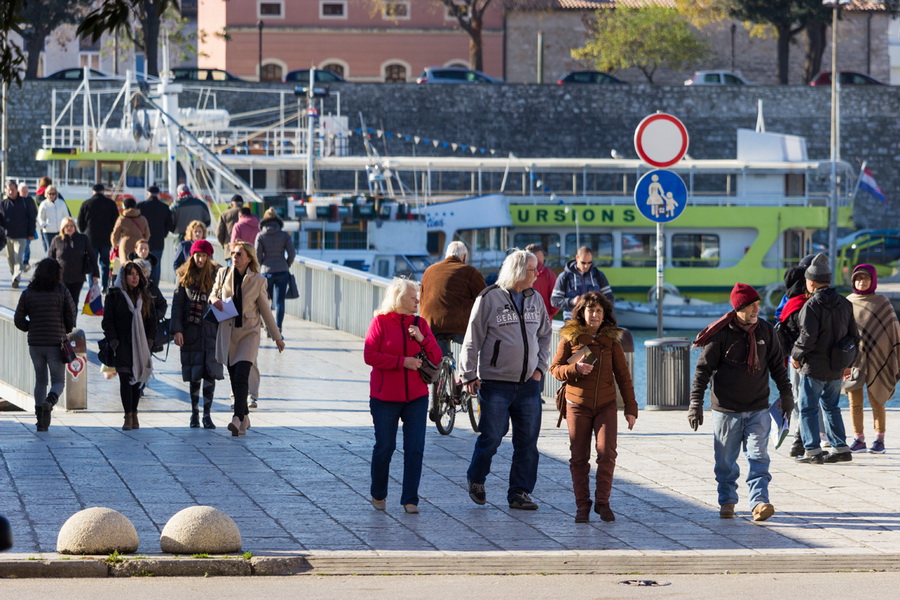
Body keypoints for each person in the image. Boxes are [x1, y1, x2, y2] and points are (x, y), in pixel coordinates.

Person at [688, 283, 794, 521]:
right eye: (751, 306)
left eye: (757, 305)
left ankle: (759, 503)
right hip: (726, 410)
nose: (757, 310)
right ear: (738, 308)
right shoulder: (720, 334)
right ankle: (727, 501)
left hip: (758, 408)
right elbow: (702, 371)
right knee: (725, 463)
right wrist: (695, 403)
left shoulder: (766, 331)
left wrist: (787, 395)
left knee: (758, 457)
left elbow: (778, 366)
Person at [460, 249, 552, 511]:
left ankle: (519, 493)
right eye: (534, 270)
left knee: (528, 442)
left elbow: (545, 335)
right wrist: (468, 374)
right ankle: (476, 477)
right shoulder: (488, 298)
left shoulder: (536, 299)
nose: (538, 274)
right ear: (521, 271)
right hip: (495, 383)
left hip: (528, 385)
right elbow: (472, 339)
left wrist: (540, 368)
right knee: (492, 437)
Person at [550, 292, 637, 523]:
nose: (595, 315)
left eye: (599, 311)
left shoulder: (612, 341)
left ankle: (602, 503)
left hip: (606, 405)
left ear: (604, 314)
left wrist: (631, 407)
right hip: (577, 405)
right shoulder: (570, 338)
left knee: (607, 453)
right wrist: (574, 369)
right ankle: (582, 506)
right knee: (579, 458)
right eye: (590, 310)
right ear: (582, 313)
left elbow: (623, 376)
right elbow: (555, 370)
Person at [363, 278, 441, 513]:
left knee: (415, 448)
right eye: (412, 297)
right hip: (384, 397)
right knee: (385, 447)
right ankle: (378, 494)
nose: (417, 300)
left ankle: (410, 499)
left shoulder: (420, 323)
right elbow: (370, 356)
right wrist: (402, 362)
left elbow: (436, 357)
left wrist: (421, 338)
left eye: (417, 296)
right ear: (398, 299)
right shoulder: (380, 322)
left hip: (416, 397)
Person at [210, 241, 285, 436]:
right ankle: (245, 418)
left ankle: (236, 417)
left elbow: (266, 311)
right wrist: (213, 300)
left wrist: (277, 337)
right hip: (229, 332)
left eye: (239, 254)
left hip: (249, 333)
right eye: (233, 253)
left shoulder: (258, 281)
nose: (235, 257)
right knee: (235, 378)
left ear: (249, 258)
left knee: (242, 374)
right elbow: (213, 293)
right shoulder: (223, 273)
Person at [791, 253, 859, 464]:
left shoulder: (811, 306)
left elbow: (807, 338)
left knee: (808, 408)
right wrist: (848, 364)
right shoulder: (844, 304)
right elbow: (854, 338)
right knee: (832, 407)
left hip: (814, 367)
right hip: (837, 366)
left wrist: (795, 355)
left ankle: (812, 451)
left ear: (810, 282)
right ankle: (841, 448)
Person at [13, 259, 77, 432]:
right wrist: (66, 329)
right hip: (56, 342)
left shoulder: (28, 293)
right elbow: (71, 314)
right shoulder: (62, 291)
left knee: (40, 380)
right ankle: (50, 402)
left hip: (35, 343)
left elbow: (18, 319)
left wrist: (29, 327)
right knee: (58, 381)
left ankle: (40, 418)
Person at [845, 264, 900, 454]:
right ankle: (858, 439)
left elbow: (892, 331)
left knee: (878, 399)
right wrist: (843, 362)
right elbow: (841, 333)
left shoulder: (882, 302)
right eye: (858, 278)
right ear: (853, 281)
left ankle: (879, 439)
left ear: (873, 280)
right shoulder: (848, 302)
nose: (862, 281)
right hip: (854, 360)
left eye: (866, 278)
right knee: (854, 401)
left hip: (879, 358)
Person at [172, 239, 223, 430]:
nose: (200, 259)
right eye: (197, 255)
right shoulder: (184, 276)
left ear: (209, 257)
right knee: (194, 374)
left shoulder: (218, 275)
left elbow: (225, 301)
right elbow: (177, 305)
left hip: (212, 331)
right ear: (192, 256)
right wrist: (177, 330)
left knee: (210, 372)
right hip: (191, 331)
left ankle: (207, 415)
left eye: (204, 255)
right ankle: (194, 413)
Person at [101, 261, 157, 431]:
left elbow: (152, 322)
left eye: (137, 274)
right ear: (124, 277)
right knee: (126, 379)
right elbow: (107, 321)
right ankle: (128, 415)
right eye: (131, 274)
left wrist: (149, 342)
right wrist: (114, 342)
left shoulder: (145, 296)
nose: (134, 277)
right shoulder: (114, 296)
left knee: (137, 380)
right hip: (122, 344)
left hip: (140, 345)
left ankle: (134, 412)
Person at [419, 240, 486, 358]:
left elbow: (422, 298)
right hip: (458, 326)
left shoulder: (429, 270)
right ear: (464, 257)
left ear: (446, 255)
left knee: (439, 359)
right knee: (482, 348)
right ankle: (467, 373)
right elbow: (484, 299)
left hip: (431, 325)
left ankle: (441, 371)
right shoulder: (470, 272)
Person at [256, 207, 295, 334]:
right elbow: (292, 253)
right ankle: (278, 329)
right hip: (282, 271)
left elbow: (257, 254)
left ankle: (269, 329)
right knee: (280, 302)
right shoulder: (284, 235)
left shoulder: (261, 236)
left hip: (266, 271)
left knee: (266, 302)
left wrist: (263, 264)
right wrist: (286, 264)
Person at [48, 216, 99, 310]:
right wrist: (49, 275)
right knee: (64, 301)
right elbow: (50, 259)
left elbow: (92, 256)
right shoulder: (57, 240)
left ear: (75, 227)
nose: (69, 228)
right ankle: (63, 322)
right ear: (63, 228)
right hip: (62, 277)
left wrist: (95, 273)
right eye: (67, 226)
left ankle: (72, 323)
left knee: (74, 301)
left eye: (72, 226)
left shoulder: (83, 238)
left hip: (78, 277)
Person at [551, 246, 614, 320]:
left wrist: (600, 306)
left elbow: (609, 297)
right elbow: (554, 300)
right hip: (572, 320)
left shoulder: (598, 275)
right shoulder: (564, 277)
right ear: (577, 258)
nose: (586, 266)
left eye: (589, 262)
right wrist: (572, 301)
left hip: (594, 320)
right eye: (583, 263)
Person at [77, 183, 119, 293]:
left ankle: (92, 286)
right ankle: (104, 286)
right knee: (105, 263)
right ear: (103, 191)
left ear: (93, 191)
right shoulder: (110, 203)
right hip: (106, 238)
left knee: (91, 262)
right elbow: (116, 221)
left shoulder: (86, 203)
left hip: (90, 238)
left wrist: (84, 233)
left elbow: (80, 222)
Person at [0, 180, 37, 289]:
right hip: (8, 237)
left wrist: (31, 233)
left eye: (13, 189)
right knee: (11, 259)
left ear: (17, 190)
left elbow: (31, 218)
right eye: (8, 190)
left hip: (21, 236)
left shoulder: (25, 202)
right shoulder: (3, 204)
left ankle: (17, 277)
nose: (10, 192)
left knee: (19, 257)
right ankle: (14, 276)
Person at [137, 185, 174, 285]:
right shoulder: (164, 207)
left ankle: (142, 286)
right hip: (158, 241)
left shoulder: (141, 206)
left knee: (141, 264)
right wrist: (164, 233)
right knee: (156, 266)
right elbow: (170, 226)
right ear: (158, 195)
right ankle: (154, 288)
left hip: (143, 242)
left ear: (148, 194)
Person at [110, 197, 150, 275]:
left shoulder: (122, 219)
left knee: (126, 267)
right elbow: (147, 235)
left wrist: (115, 245)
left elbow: (115, 235)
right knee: (139, 267)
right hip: (139, 245)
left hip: (125, 245)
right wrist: (143, 243)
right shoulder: (142, 219)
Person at [525, 243, 558, 320]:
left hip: (524, 318)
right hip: (544, 318)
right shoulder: (549, 274)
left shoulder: (519, 272)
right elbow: (555, 298)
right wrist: (549, 313)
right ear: (540, 255)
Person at [37, 185, 70, 252]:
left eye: (53, 193)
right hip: (48, 232)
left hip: (60, 231)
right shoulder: (44, 204)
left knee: (61, 249)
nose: (51, 195)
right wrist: (44, 226)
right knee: (50, 250)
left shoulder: (61, 203)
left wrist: (66, 227)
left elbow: (66, 216)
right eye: (49, 193)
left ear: (56, 194)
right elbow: (40, 217)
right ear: (46, 194)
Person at [18, 183, 37, 271]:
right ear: (19, 191)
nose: (25, 193)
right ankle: (19, 262)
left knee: (26, 246)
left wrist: (31, 230)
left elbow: (34, 214)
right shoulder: (16, 200)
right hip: (18, 229)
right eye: (23, 191)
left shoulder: (30, 200)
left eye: (26, 191)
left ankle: (25, 263)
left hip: (28, 228)